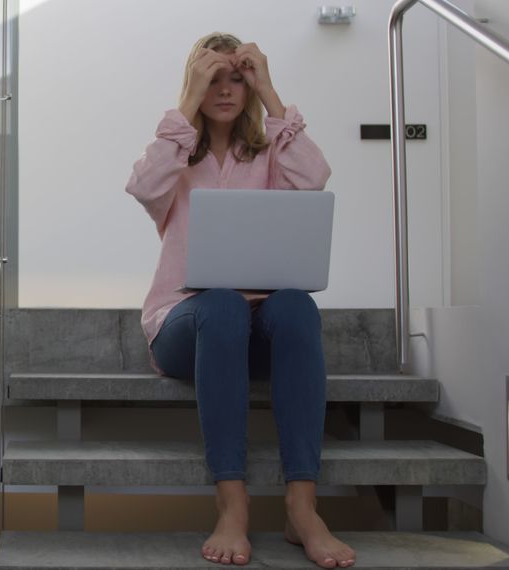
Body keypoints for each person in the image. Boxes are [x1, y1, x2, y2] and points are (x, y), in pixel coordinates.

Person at [124, 32, 355, 569]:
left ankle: (303, 506)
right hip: (188, 327)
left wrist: (270, 91)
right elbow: (142, 185)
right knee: (223, 303)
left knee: (297, 304)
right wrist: (188, 96)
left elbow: (315, 179)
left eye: (237, 79)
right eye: (213, 79)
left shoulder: (269, 153)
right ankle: (232, 503)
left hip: (259, 329)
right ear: (197, 83)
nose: (226, 91)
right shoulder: (178, 156)